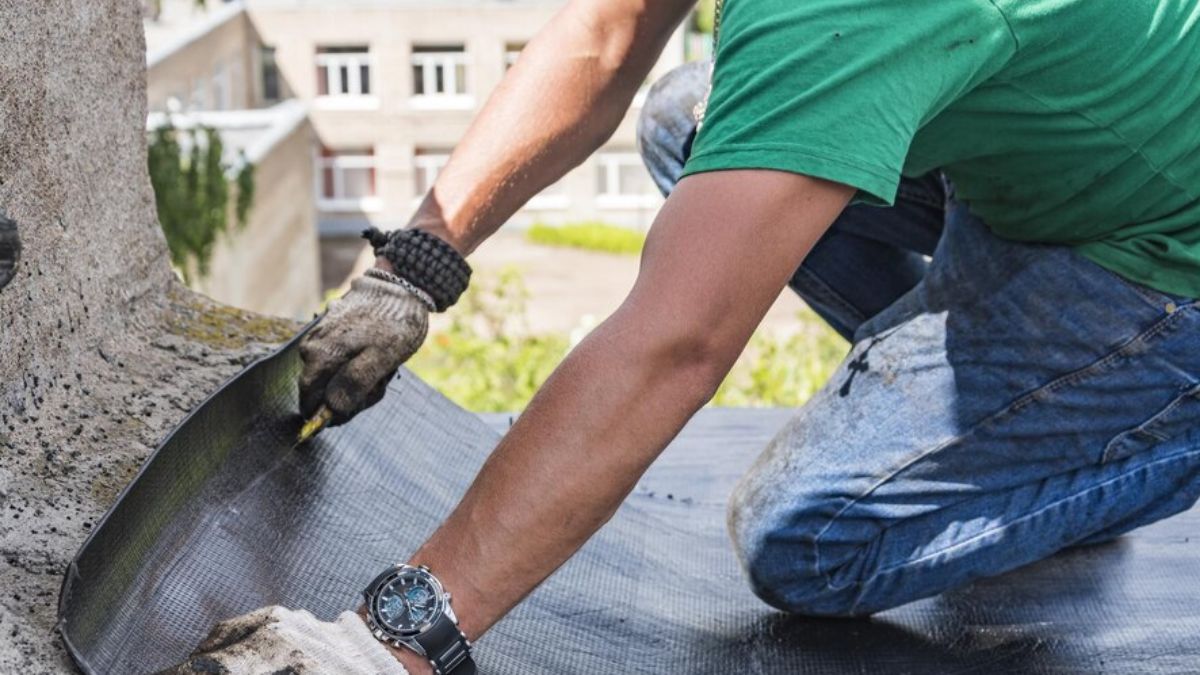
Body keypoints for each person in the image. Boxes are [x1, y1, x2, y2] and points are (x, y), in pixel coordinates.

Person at [296, 0, 1200, 672]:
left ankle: (1118, 420)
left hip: (1159, 259)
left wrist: (393, 638)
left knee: (808, 538)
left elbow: (677, 345)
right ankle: (1009, 409)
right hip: (1060, 152)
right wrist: (414, 266)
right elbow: (602, 36)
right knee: (688, 123)